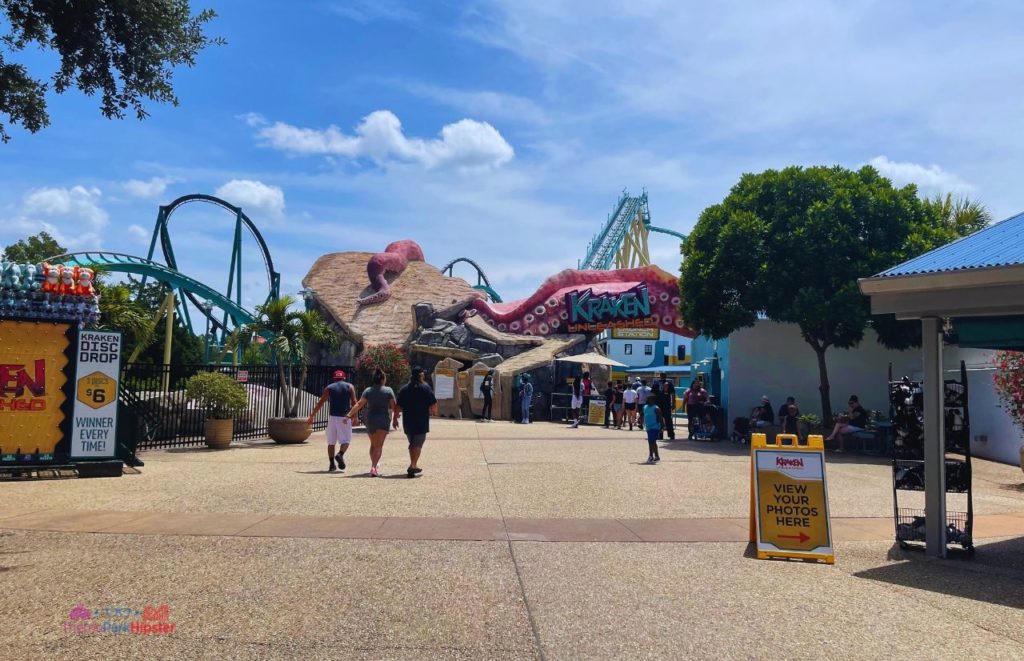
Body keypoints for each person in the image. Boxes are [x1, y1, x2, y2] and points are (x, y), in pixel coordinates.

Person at [347, 368, 399, 477]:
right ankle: (374, 467)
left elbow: (359, 404)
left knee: (373, 444)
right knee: (379, 446)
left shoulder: (368, 390)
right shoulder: (388, 390)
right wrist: (395, 419)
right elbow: (394, 406)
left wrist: (349, 415)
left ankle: (373, 464)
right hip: (383, 419)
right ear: (383, 379)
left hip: (370, 419)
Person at [307, 369, 357, 472]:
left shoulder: (329, 387)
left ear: (334, 378)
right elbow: (354, 402)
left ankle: (331, 465)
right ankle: (340, 454)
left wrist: (312, 415)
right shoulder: (349, 386)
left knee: (331, 442)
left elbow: (320, 402)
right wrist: (354, 416)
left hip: (332, 418)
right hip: (344, 417)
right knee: (346, 440)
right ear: (344, 378)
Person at [395, 367, 438, 477]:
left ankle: (413, 465)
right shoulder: (425, 388)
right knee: (417, 443)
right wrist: (434, 411)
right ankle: (412, 466)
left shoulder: (404, 389)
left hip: (408, 420)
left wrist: (395, 418)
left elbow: (398, 406)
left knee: (412, 443)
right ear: (421, 376)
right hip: (421, 420)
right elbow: (433, 403)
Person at [642, 396, 663, 464]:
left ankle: (652, 456)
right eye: (647, 399)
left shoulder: (656, 408)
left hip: (655, 426)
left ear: (653, 401)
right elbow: (643, 415)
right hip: (648, 427)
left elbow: (660, 418)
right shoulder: (645, 407)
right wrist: (640, 421)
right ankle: (655, 456)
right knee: (651, 442)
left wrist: (661, 427)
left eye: (649, 399)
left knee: (652, 441)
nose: (647, 400)